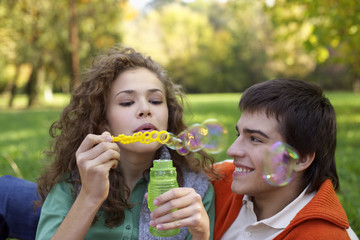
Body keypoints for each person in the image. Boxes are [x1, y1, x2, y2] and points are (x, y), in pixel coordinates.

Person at [35, 47, 216, 239]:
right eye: (127, 102)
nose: (145, 109)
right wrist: (89, 196)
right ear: (102, 120)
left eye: (155, 101)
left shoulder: (195, 190)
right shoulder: (72, 183)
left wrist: (201, 234)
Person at [212, 79, 359, 240]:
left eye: (255, 139)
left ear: (300, 159)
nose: (232, 150)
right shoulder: (218, 180)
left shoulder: (326, 236)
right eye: (239, 134)